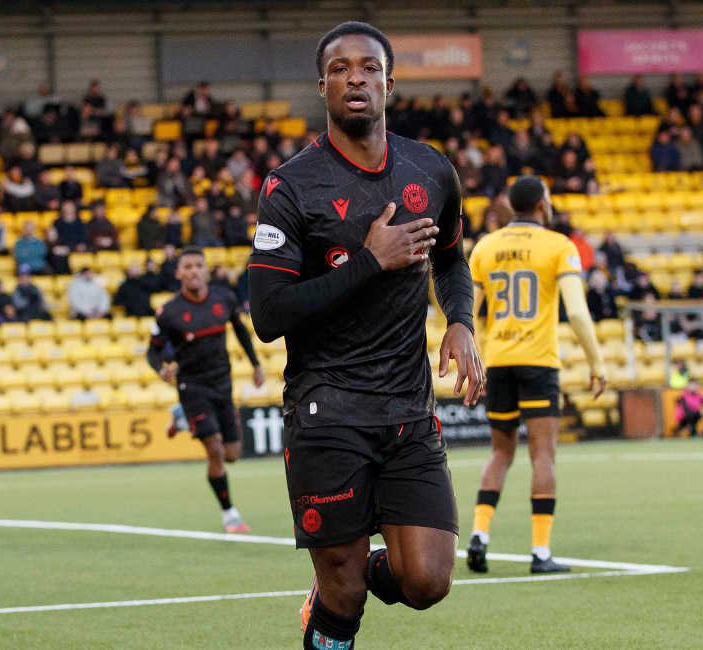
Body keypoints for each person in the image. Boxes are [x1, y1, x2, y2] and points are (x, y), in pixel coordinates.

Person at [245, 22, 484, 650]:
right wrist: (371, 261)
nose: (357, 77)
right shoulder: (290, 186)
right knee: (344, 590)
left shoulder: (431, 170)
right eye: (342, 68)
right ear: (321, 85)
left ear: (390, 82)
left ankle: (343, 576)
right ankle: (332, 592)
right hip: (327, 409)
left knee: (427, 580)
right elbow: (267, 315)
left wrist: (460, 320)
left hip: (408, 406)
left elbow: (453, 260)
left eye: (370, 67)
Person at [465, 175, 607, 575]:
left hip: (498, 359)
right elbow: (577, 312)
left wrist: (475, 358)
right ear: (543, 205)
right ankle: (541, 553)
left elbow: (463, 311)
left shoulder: (485, 246)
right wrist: (597, 363)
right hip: (539, 361)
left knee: (500, 452)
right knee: (543, 454)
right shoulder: (558, 246)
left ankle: (480, 535)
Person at [148, 247, 264, 534]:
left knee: (233, 453)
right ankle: (230, 515)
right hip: (192, 386)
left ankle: (180, 418)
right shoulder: (168, 313)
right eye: (187, 267)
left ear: (206, 269)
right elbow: (153, 353)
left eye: (198, 265)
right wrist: (162, 369)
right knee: (215, 450)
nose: (193, 271)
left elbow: (239, 331)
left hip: (222, 383)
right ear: (178, 274)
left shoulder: (224, 298)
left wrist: (255, 364)